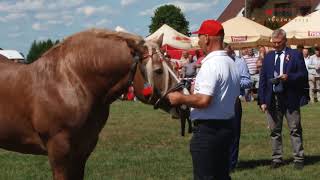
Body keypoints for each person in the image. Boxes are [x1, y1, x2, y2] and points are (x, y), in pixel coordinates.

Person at [167, 19, 240, 179]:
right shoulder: (231, 62)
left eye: (199, 37)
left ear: (207, 38)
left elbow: (203, 101)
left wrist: (180, 98)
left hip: (208, 132)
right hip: (226, 127)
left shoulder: (211, 64)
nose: (198, 41)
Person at [258, 29, 308, 170]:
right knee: (274, 131)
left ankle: (298, 158)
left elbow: (303, 75)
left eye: (278, 43)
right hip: (273, 99)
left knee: (295, 129)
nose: (275, 45)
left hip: (290, 98)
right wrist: (262, 100)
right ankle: (277, 158)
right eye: (273, 43)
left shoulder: (295, 54)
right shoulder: (268, 57)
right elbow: (263, 80)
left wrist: (289, 77)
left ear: (285, 40)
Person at [225, 44, 252, 171]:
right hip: (217, 103)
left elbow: (248, 81)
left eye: (226, 54)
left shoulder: (240, 62)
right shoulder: (215, 62)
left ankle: (231, 164)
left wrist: (233, 81)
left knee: (234, 134)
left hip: (234, 101)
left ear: (232, 52)